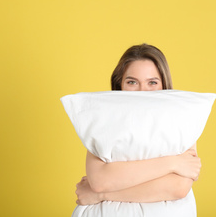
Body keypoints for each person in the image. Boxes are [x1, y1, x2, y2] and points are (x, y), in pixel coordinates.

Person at [74, 43, 201, 207]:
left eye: (152, 82)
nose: (142, 91)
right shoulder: (105, 120)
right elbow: (99, 181)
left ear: (164, 84)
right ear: (120, 84)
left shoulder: (180, 120)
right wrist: (173, 163)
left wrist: (101, 195)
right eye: (132, 82)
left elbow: (177, 188)